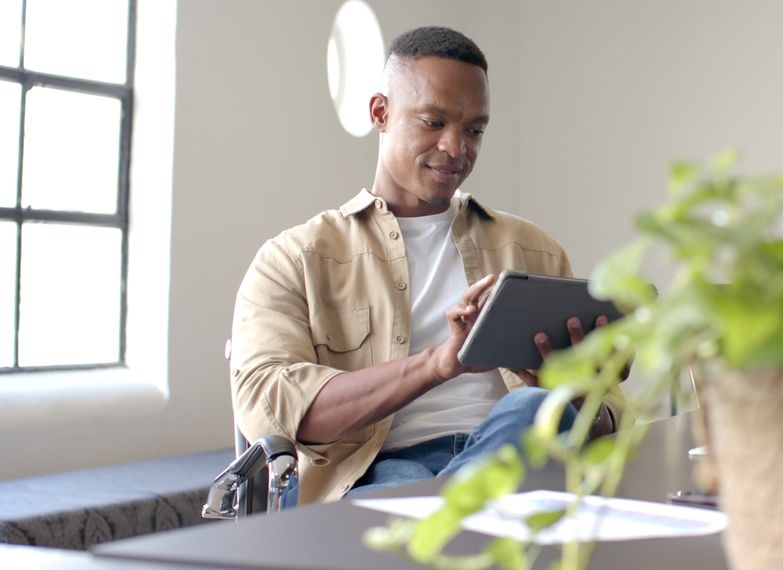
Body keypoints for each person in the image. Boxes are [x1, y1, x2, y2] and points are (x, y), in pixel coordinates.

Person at [230, 26, 627, 505]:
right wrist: (437, 365)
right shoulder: (295, 259)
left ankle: (448, 517)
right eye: (433, 123)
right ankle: (457, 515)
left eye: (475, 130)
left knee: (531, 409)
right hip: (370, 474)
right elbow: (269, 412)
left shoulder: (533, 249)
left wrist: (573, 394)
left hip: (514, 450)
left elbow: (610, 418)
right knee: (404, 496)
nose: (457, 149)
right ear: (381, 112)